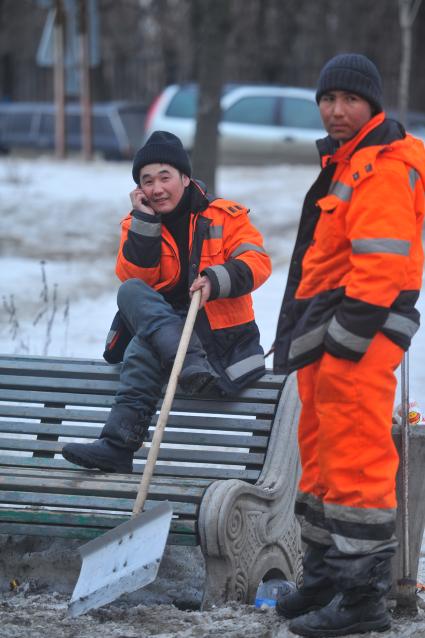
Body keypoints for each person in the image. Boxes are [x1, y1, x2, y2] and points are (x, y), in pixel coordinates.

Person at [273, 54, 425, 636]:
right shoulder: (350, 158)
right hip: (329, 335)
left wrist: (345, 343)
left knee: (357, 462)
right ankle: (325, 579)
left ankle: (363, 601)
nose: (336, 111)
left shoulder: (383, 165)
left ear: (373, 104)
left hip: (354, 337)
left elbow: (382, 266)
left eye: (349, 100)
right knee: (322, 458)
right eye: (327, 100)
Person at [62, 130, 271, 474]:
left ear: (185, 178)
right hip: (176, 349)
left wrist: (216, 280)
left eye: (165, 177)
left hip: (218, 342)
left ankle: (118, 444)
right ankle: (117, 447)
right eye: (147, 181)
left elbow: (258, 262)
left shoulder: (224, 217)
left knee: (143, 345)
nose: (157, 189)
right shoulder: (136, 224)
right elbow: (137, 281)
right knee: (131, 299)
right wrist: (145, 223)